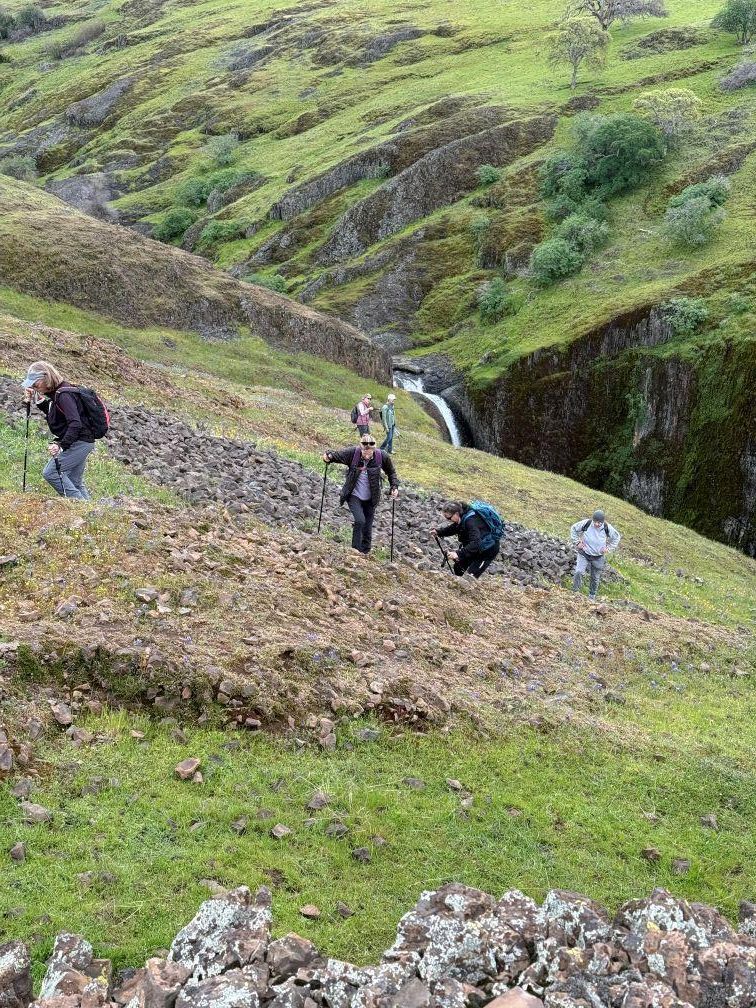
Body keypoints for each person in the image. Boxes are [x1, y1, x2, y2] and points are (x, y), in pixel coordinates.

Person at [21, 361, 96, 501]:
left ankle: (82, 509)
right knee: (75, 481)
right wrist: (37, 398)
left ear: (46, 377)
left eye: (35, 383)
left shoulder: (63, 394)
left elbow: (75, 423)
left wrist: (61, 445)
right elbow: (56, 413)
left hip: (79, 442)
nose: (33, 387)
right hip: (83, 440)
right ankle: (94, 513)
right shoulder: (59, 392)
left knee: (51, 472)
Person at [322, 432, 399, 554]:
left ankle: (365, 553)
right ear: (361, 448)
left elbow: (391, 472)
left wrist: (394, 487)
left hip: (371, 498)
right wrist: (328, 456)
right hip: (354, 495)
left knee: (367, 528)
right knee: (360, 521)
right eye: (365, 453)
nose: (367, 456)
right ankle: (355, 551)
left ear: (374, 450)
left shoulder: (381, 456)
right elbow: (336, 455)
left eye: (370, 453)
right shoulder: (353, 453)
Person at [433, 501, 501, 578]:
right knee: (458, 568)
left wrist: (458, 553)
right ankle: (457, 585)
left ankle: (464, 586)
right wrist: (438, 532)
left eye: (449, 518)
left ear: (456, 514)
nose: (448, 520)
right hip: (475, 547)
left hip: (487, 551)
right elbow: (455, 528)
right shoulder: (463, 516)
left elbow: (476, 543)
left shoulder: (470, 522)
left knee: (470, 577)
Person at [570, 509, 622, 600]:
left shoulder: (607, 527)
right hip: (584, 553)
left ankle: (591, 596)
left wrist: (608, 548)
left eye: (599, 523)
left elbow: (617, 537)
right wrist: (577, 542)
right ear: (592, 520)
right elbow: (573, 528)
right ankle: (574, 593)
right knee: (579, 572)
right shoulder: (586, 523)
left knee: (595, 578)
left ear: (603, 522)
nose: (597, 524)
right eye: (595, 522)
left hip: (598, 557)